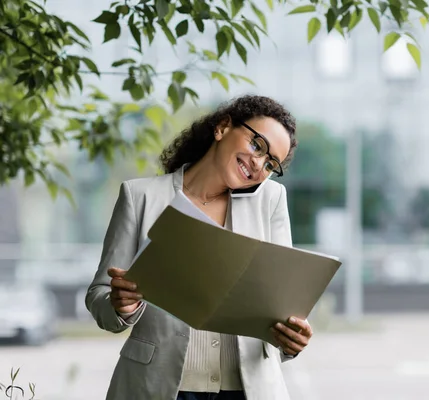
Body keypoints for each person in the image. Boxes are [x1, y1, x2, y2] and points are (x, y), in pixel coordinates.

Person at [85, 95, 312, 400]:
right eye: (257, 145)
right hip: (157, 386)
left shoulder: (270, 200)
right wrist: (121, 305)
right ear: (222, 128)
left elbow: (280, 304)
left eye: (271, 163)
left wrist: (291, 338)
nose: (259, 164)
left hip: (247, 389)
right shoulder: (140, 196)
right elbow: (98, 295)